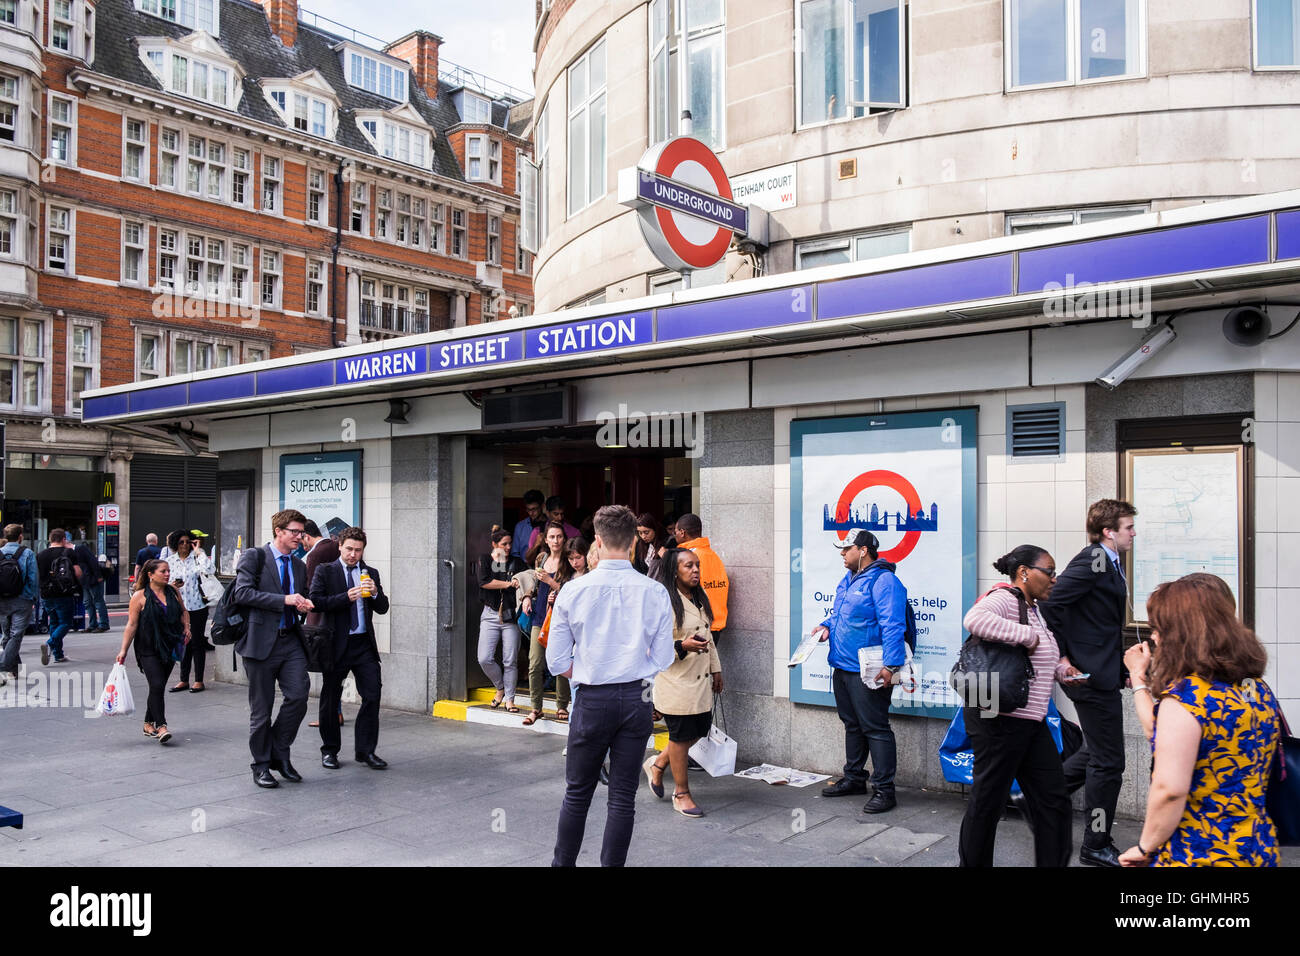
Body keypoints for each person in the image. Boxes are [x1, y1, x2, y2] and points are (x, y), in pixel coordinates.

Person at [1118, 574, 1281, 867]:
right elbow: (1162, 733)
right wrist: (1138, 679)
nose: (1154, 636)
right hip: (1256, 846)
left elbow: (1170, 790)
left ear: (1182, 632)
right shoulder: (1255, 688)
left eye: (1159, 627)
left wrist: (1145, 847)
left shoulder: (1187, 699)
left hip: (1201, 851)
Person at [546, 504, 675, 867]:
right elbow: (664, 658)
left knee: (577, 794)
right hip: (637, 698)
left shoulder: (574, 591)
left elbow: (556, 661)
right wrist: (636, 666)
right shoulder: (654, 592)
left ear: (598, 542)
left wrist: (587, 671)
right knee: (622, 798)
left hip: (591, 698)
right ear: (634, 542)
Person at [957, 545, 1082, 867]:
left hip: (1029, 722)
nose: (1055, 579)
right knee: (988, 802)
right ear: (1025, 573)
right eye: (1049, 572)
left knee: (1053, 801)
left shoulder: (1034, 607)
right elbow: (974, 619)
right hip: (997, 719)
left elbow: (1036, 660)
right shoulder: (1006, 598)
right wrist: (1026, 635)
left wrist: (1063, 672)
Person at [1039, 498, 1137, 867]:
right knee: (1109, 763)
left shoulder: (1110, 562)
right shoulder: (1095, 559)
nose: (1133, 533)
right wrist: (1062, 658)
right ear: (1109, 531)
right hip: (1087, 677)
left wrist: (1122, 666)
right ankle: (1095, 843)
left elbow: (1101, 621)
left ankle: (1035, 797)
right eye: (1128, 527)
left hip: (1102, 671)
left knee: (1096, 753)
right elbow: (1049, 605)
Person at [814, 529, 907, 814]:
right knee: (852, 724)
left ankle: (885, 790)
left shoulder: (884, 581)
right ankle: (854, 778)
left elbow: (893, 624)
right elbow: (841, 613)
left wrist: (892, 666)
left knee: (876, 728)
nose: (842, 553)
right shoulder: (849, 579)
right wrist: (826, 625)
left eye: (846, 548)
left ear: (863, 550)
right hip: (842, 666)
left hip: (868, 671)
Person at [232, 509, 314, 789]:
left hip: (290, 639)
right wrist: (286, 600)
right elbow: (242, 594)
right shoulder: (255, 557)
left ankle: (280, 751)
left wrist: (303, 604)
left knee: (299, 696)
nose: (300, 537)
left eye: (302, 532)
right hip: (260, 642)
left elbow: (298, 599)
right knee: (261, 709)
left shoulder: (300, 566)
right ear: (278, 531)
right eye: (295, 532)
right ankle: (262, 765)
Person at [645, 547, 723, 818]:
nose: (696, 570)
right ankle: (681, 793)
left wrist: (716, 670)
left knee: (697, 733)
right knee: (680, 737)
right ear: (674, 570)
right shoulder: (664, 601)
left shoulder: (699, 598)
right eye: (688, 566)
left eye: (697, 565)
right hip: (676, 683)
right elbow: (651, 646)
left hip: (699, 683)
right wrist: (682, 645)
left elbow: (709, 637)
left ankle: (657, 765)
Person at [309, 527, 390, 770]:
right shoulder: (326, 570)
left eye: (358, 550)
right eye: (349, 549)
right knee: (331, 698)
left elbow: (383, 608)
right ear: (339, 546)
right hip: (336, 643)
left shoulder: (370, 572)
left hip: (363, 643)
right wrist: (346, 597)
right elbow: (315, 602)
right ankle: (329, 751)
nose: (354, 554)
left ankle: (366, 751)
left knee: (373, 694)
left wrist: (375, 594)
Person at [115, 559, 190, 745]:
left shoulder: (173, 592)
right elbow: (131, 625)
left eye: (168, 571)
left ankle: (148, 724)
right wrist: (123, 650)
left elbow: (183, 611)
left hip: (170, 645)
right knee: (156, 684)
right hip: (147, 648)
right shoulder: (139, 597)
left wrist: (186, 626)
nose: (167, 574)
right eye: (163, 571)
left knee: (158, 686)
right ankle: (161, 725)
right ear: (150, 574)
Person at [522, 521, 570, 725]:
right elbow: (533, 584)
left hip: (561, 619)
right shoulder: (541, 558)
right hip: (540, 616)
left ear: (564, 538)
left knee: (560, 664)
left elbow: (572, 590)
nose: (556, 541)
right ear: (546, 539)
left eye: (559, 536)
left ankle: (561, 705)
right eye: (552, 537)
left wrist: (552, 583)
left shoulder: (569, 561)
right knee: (535, 663)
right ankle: (536, 708)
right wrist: (526, 596)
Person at [476, 527, 526, 713]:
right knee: (484, 658)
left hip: (510, 615)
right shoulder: (486, 560)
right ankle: (500, 688)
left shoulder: (516, 562)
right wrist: (508, 584)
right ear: (494, 544)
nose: (507, 547)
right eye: (504, 544)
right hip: (489, 614)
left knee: (510, 660)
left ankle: (510, 699)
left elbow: (527, 578)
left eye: (509, 543)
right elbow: (484, 582)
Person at [167, 532, 214, 693]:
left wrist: (199, 551)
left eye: (189, 542)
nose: (185, 545)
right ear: (175, 544)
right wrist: (172, 586)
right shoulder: (170, 561)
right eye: (181, 542)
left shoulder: (197, 557)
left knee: (197, 643)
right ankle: (183, 679)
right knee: (182, 643)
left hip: (197, 607)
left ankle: (199, 680)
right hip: (179, 608)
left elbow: (210, 569)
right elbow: (163, 583)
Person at [671, 514, 728, 635]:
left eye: (675, 531)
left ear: (682, 532)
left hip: (697, 624)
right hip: (716, 622)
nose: (674, 535)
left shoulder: (688, 557)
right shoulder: (712, 555)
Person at [37, 528, 82, 665]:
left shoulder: (40, 555)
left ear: (50, 539)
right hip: (64, 592)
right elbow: (77, 572)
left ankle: (58, 655)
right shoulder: (68, 552)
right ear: (63, 539)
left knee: (54, 622)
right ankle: (50, 643)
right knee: (65, 623)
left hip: (46, 593)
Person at [0, 524, 38, 682]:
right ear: (20, 536)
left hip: (1, 600)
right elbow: (33, 578)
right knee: (16, 635)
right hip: (22, 600)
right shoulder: (27, 553)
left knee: (6, 634)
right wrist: (32, 597)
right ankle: (3, 665)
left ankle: (13, 670)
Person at [74, 538, 110, 632]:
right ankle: (93, 624)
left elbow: (92, 562)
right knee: (88, 602)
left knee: (97, 601)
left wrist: (98, 576)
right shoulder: (71, 552)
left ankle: (103, 624)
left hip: (92, 579)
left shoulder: (81, 549)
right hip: (85, 581)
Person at [511, 489, 547, 560]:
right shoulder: (520, 527)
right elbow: (515, 554)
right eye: (528, 509)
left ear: (542, 506)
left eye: (534, 509)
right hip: (524, 568)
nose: (531, 513)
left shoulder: (551, 525)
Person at [635, 513, 667, 581]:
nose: (643, 536)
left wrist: (666, 556)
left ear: (655, 529)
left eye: (646, 532)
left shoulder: (667, 543)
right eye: (640, 533)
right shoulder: (639, 544)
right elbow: (637, 567)